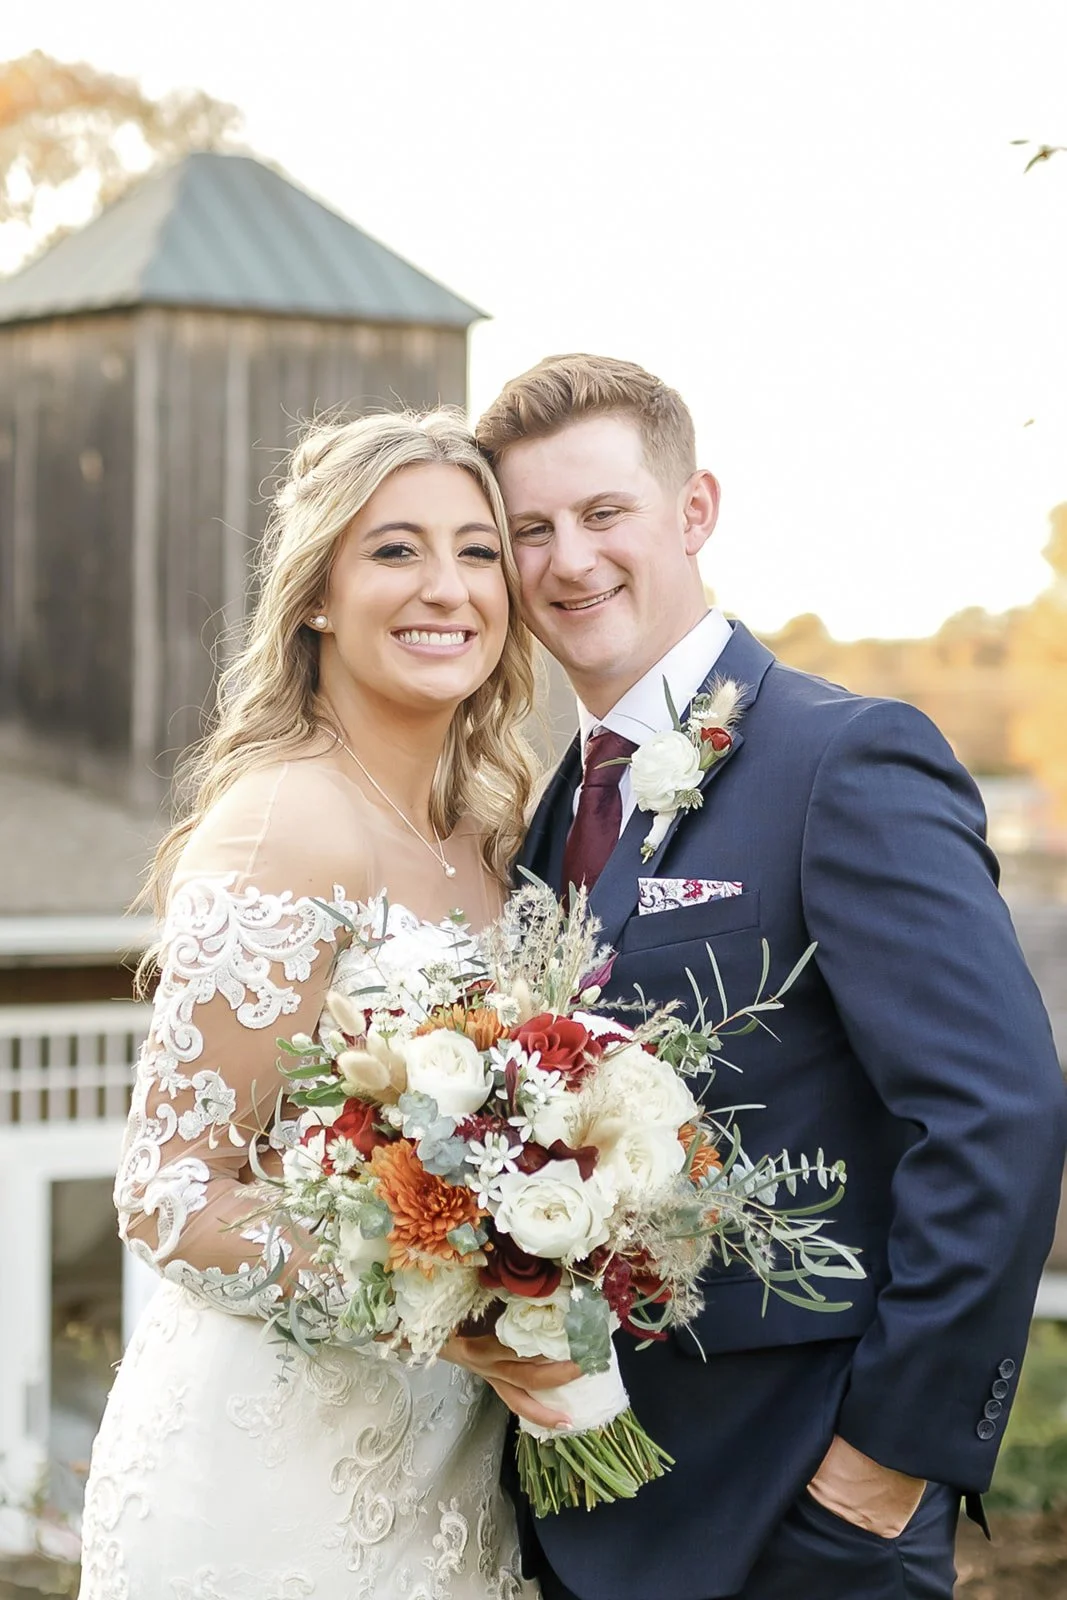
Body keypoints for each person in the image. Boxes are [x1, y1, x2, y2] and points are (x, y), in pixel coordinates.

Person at [465, 354, 1067, 1600]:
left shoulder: (842, 761)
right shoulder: (544, 815)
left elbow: (995, 1116)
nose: (567, 560)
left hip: (799, 1518)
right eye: (530, 530)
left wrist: (882, 1464)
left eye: (602, 513)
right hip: (592, 1509)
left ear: (693, 511)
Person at [77, 410, 571, 1600]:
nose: (444, 587)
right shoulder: (283, 821)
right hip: (271, 1475)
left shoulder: (487, 839)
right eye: (394, 550)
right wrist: (428, 1305)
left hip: (445, 1473)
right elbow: (169, 1191)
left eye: (477, 550)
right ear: (314, 596)